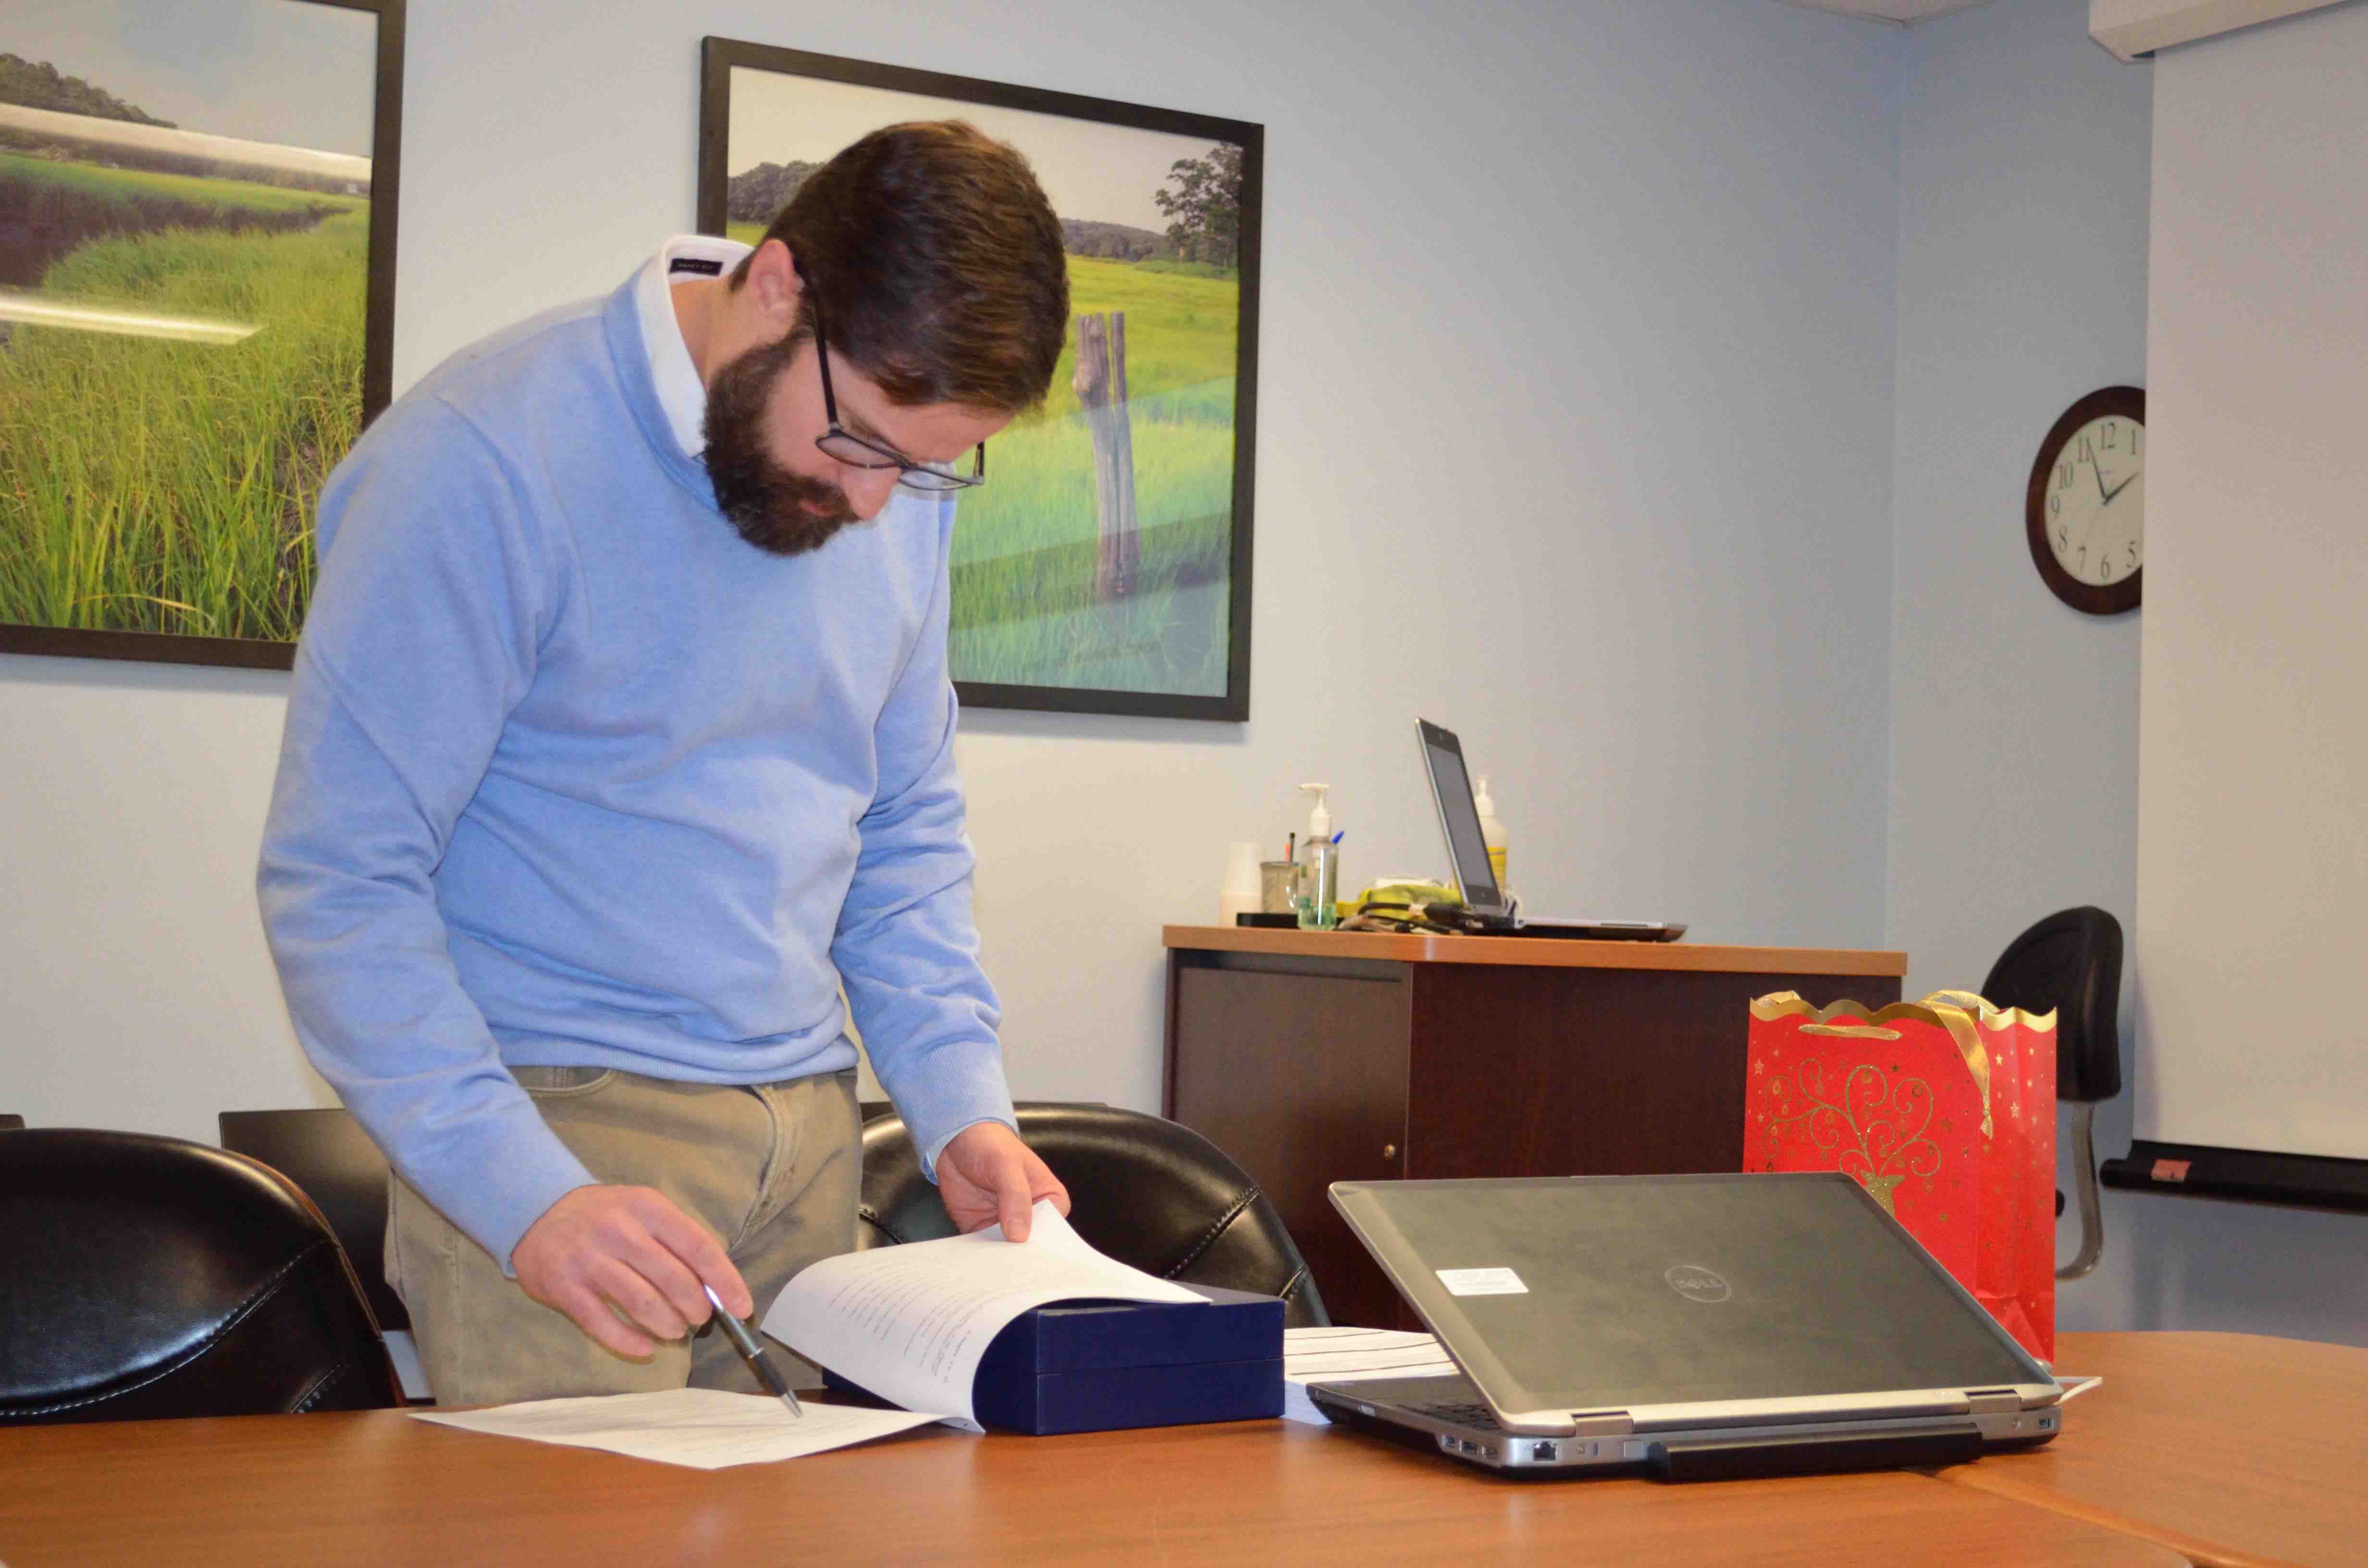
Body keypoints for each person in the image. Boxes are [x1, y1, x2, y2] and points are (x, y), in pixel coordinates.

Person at [257, 121, 1073, 1404]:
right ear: (777, 285)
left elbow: (903, 829)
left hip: (813, 1137)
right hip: (565, 1142)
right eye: (863, 442)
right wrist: (526, 1197)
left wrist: (960, 1106)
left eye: (926, 469)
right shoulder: (482, 453)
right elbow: (339, 882)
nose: (874, 503)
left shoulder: (884, 486)